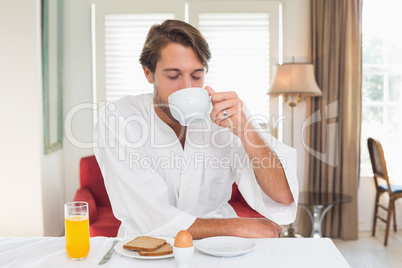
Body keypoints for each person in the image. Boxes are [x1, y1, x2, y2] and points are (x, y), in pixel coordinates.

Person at [94, 19, 298, 239]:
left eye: (196, 75)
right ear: (148, 73)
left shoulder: (228, 114)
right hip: (148, 248)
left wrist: (246, 131)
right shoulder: (119, 118)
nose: (187, 87)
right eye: (173, 76)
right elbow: (150, 218)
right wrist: (236, 227)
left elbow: (283, 197)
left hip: (218, 249)